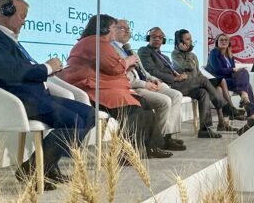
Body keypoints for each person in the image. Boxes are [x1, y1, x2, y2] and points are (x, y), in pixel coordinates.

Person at [0, 0, 94, 189]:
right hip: (20, 101)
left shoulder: (6, 39)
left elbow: (20, 67)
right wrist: (47, 68)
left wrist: (48, 70)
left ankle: (46, 166)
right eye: (22, 16)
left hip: (37, 97)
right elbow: (11, 72)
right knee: (75, 122)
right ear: (5, 12)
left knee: (89, 113)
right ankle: (33, 170)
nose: (25, 22)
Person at [59, 15, 171, 159]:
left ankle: (151, 147)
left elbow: (112, 67)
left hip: (105, 89)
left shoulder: (96, 42)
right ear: (105, 28)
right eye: (113, 28)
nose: (114, 32)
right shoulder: (95, 42)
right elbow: (114, 67)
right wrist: (128, 61)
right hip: (94, 91)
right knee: (133, 111)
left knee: (144, 104)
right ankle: (125, 154)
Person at [138, 27, 229, 138]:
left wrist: (178, 75)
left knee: (203, 92)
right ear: (148, 38)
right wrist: (174, 78)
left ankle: (205, 129)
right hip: (167, 85)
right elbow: (151, 70)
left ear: (164, 40)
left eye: (160, 37)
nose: (157, 39)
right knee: (203, 80)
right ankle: (224, 106)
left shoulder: (164, 56)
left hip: (176, 83)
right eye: (154, 36)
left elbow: (173, 71)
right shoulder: (144, 51)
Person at [112, 19, 185, 151]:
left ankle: (167, 136)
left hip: (146, 82)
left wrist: (154, 80)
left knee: (176, 95)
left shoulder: (130, 50)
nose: (128, 30)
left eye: (128, 28)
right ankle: (158, 141)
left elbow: (144, 72)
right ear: (113, 30)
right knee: (165, 101)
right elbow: (125, 77)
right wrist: (145, 84)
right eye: (123, 28)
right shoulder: (112, 49)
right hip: (134, 87)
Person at [207, 33, 254, 122]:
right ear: (217, 42)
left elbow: (232, 71)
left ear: (228, 43)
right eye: (221, 40)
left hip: (229, 80)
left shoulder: (230, 56)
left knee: (244, 74)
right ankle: (251, 113)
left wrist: (235, 71)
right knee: (246, 84)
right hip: (219, 80)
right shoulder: (214, 53)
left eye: (226, 40)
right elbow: (218, 70)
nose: (223, 42)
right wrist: (233, 69)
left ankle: (245, 99)